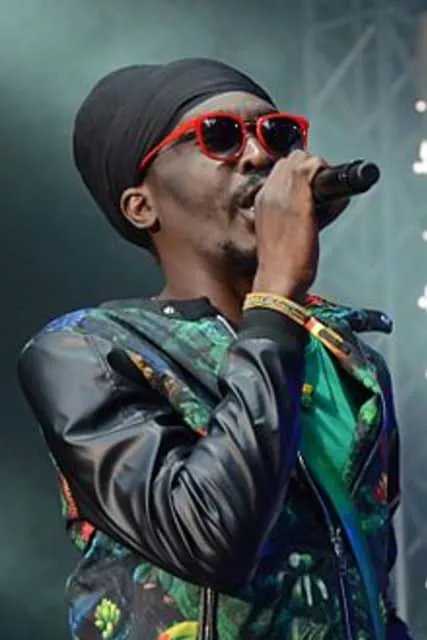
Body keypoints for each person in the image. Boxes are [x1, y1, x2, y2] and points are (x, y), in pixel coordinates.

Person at [18, 58, 412, 640]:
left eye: (276, 134)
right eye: (220, 136)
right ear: (142, 205)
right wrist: (275, 296)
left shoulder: (347, 361)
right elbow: (208, 535)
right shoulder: (87, 352)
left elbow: (367, 583)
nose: (258, 155)